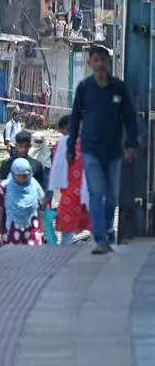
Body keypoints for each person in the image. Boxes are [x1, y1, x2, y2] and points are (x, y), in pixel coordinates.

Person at [68, 44, 138, 254]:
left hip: (114, 151)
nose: (99, 64)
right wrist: (71, 147)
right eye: (95, 60)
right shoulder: (83, 88)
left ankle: (105, 230)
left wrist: (131, 144)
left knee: (112, 198)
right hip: (90, 150)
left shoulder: (119, 88)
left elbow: (130, 117)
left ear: (108, 62)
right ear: (90, 62)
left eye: (102, 60)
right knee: (97, 194)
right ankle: (100, 239)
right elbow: (74, 119)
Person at [49, 114, 91, 245]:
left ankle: (64, 256)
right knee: (95, 225)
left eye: (63, 132)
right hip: (89, 193)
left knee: (67, 231)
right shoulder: (90, 142)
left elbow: (56, 170)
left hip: (69, 194)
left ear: (67, 127)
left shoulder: (61, 145)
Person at [0, 158, 45, 246]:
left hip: (32, 232)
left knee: (33, 258)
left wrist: (46, 229)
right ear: (13, 173)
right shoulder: (5, 187)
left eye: (24, 175)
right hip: (12, 232)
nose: (21, 179)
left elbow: (44, 204)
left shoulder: (34, 185)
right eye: (18, 175)